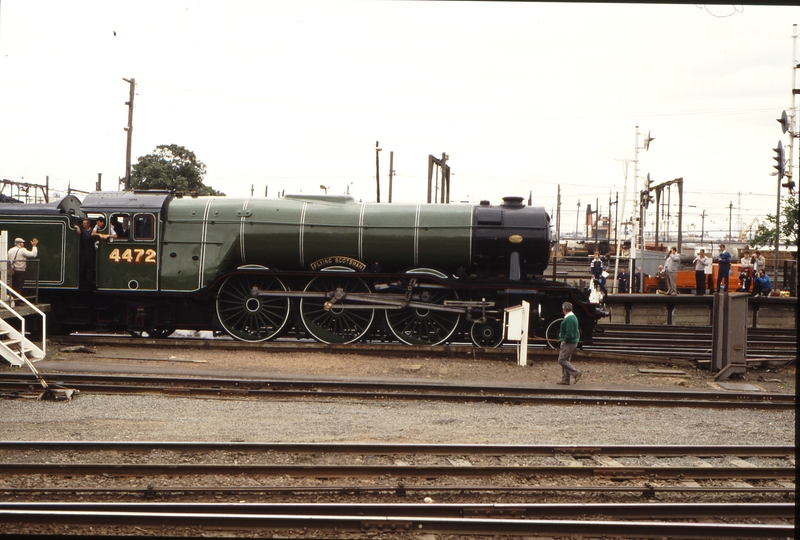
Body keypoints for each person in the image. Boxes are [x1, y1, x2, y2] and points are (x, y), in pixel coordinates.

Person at [556, 301, 581, 385]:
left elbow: (569, 333)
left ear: (564, 309)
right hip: (572, 342)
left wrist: (565, 340)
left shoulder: (569, 319)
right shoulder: (573, 317)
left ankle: (576, 373)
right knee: (566, 360)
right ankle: (566, 379)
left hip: (569, 343)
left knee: (561, 360)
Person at [74, 218, 97, 288]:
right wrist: (77, 227)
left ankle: (89, 280)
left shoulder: (93, 230)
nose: (83, 225)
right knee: (82, 265)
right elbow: (73, 225)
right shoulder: (81, 229)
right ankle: (82, 280)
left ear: (88, 224)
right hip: (83, 250)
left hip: (91, 250)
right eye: (83, 223)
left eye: (84, 223)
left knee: (90, 266)